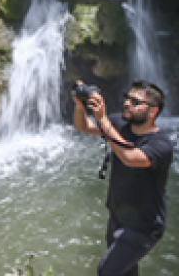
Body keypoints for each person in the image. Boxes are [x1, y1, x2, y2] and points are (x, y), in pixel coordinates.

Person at [72, 79, 173, 276]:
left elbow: (130, 157)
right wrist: (79, 105)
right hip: (118, 215)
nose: (127, 103)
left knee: (107, 271)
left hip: (144, 225)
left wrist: (103, 121)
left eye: (135, 102)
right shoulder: (119, 123)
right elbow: (83, 127)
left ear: (153, 111)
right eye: (127, 98)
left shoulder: (161, 145)